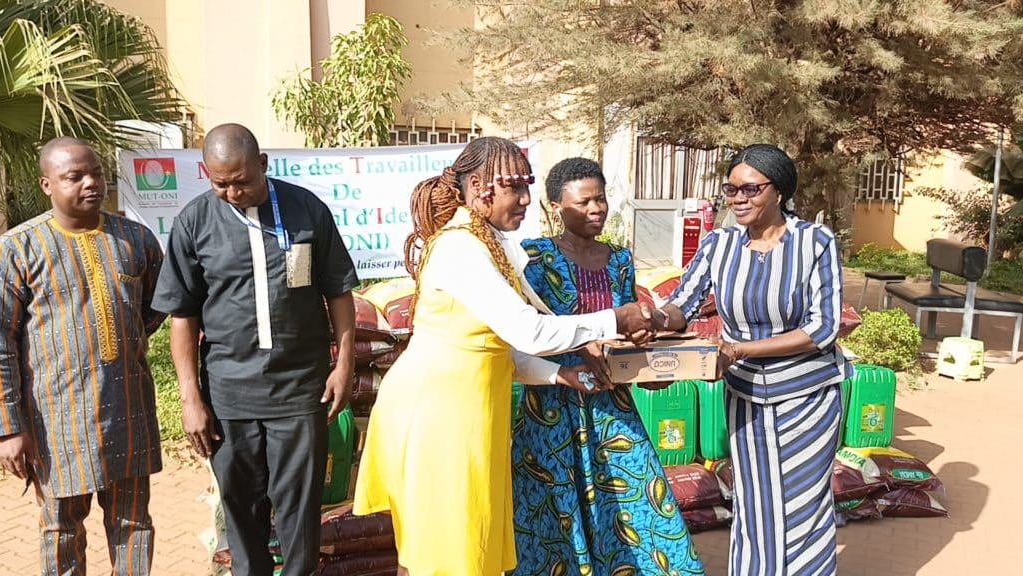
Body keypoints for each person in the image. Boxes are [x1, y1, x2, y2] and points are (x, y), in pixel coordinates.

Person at [353, 137, 655, 576]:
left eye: (527, 187)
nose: (527, 200)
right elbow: (528, 331)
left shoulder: (490, 243)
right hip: (437, 416)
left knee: (465, 546)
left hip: (473, 414)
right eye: (516, 187)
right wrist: (614, 319)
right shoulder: (460, 248)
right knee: (441, 554)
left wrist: (559, 375)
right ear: (480, 187)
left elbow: (497, 347)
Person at [152, 123, 358, 576]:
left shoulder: (306, 210)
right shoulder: (195, 222)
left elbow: (338, 291)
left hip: (299, 391)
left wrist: (344, 364)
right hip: (229, 395)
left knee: (299, 514)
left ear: (262, 164)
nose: (232, 192)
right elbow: (182, 316)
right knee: (242, 514)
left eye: (242, 181)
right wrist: (190, 399)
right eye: (220, 183)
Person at [653, 144, 852, 576]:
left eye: (750, 189)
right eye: (731, 190)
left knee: (802, 503)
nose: (738, 199)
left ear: (779, 191)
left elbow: (822, 328)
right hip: (745, 397)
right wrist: (651, 319)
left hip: (807, 397)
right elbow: (682, 304)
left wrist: (740, 349)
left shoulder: (814, 241)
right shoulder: (719, 244)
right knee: (755, 499)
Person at [510, 157, 704, 575]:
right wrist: (582, 345)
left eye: (600, 199)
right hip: (552, 404)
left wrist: (644, 351)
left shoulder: (619, 260)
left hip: (612, 404)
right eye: (583, 202)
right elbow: (531, 330)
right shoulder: (534, 259)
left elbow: (627, 324)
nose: (596, 209)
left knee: (638, 501)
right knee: (555, 509)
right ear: (555, 207)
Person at [0, 137, 165, 574]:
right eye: (74, 177)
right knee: (61, 531)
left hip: (128, 410)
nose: (90, 183)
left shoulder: (135, 238)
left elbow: (153, 309)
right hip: (57, 422)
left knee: (134, 525)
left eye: (96, 173)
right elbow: (1, 343)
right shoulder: (18, 248)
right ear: (47, 185)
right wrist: (8, 428)